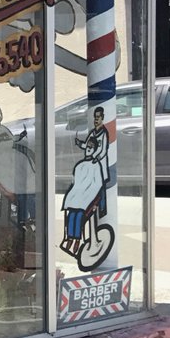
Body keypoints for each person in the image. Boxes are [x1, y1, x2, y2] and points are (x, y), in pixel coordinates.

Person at [62, 105, 109, 256]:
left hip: (96, 170)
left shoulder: (104, 134)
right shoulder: (92, 134)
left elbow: (102, 150)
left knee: (82, 211)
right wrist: (80, 144)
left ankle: (77, 239)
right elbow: (88, 145)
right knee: (72, 212)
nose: (96, 120)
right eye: (95, 117)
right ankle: (70, 238)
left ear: (102, 118)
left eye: (98, 118)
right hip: (86, 174)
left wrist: (95, 158)